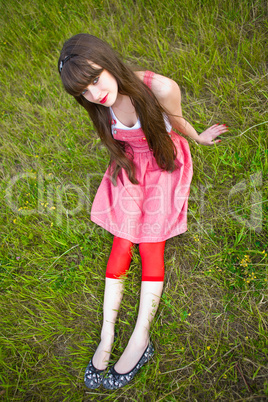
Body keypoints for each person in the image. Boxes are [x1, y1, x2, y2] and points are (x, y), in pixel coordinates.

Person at [58, 33, 228, 390]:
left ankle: (141, 336)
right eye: (83, 92)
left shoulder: (160, 88)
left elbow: (176, 121)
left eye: (95, 79)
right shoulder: (98, 103)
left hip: (163, 163)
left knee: (151, 243)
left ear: (108, 62)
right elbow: (117, 136)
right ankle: (106, 335)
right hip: (132, 165)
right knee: (122, 241)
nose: (94, 94)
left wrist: (197, 137)